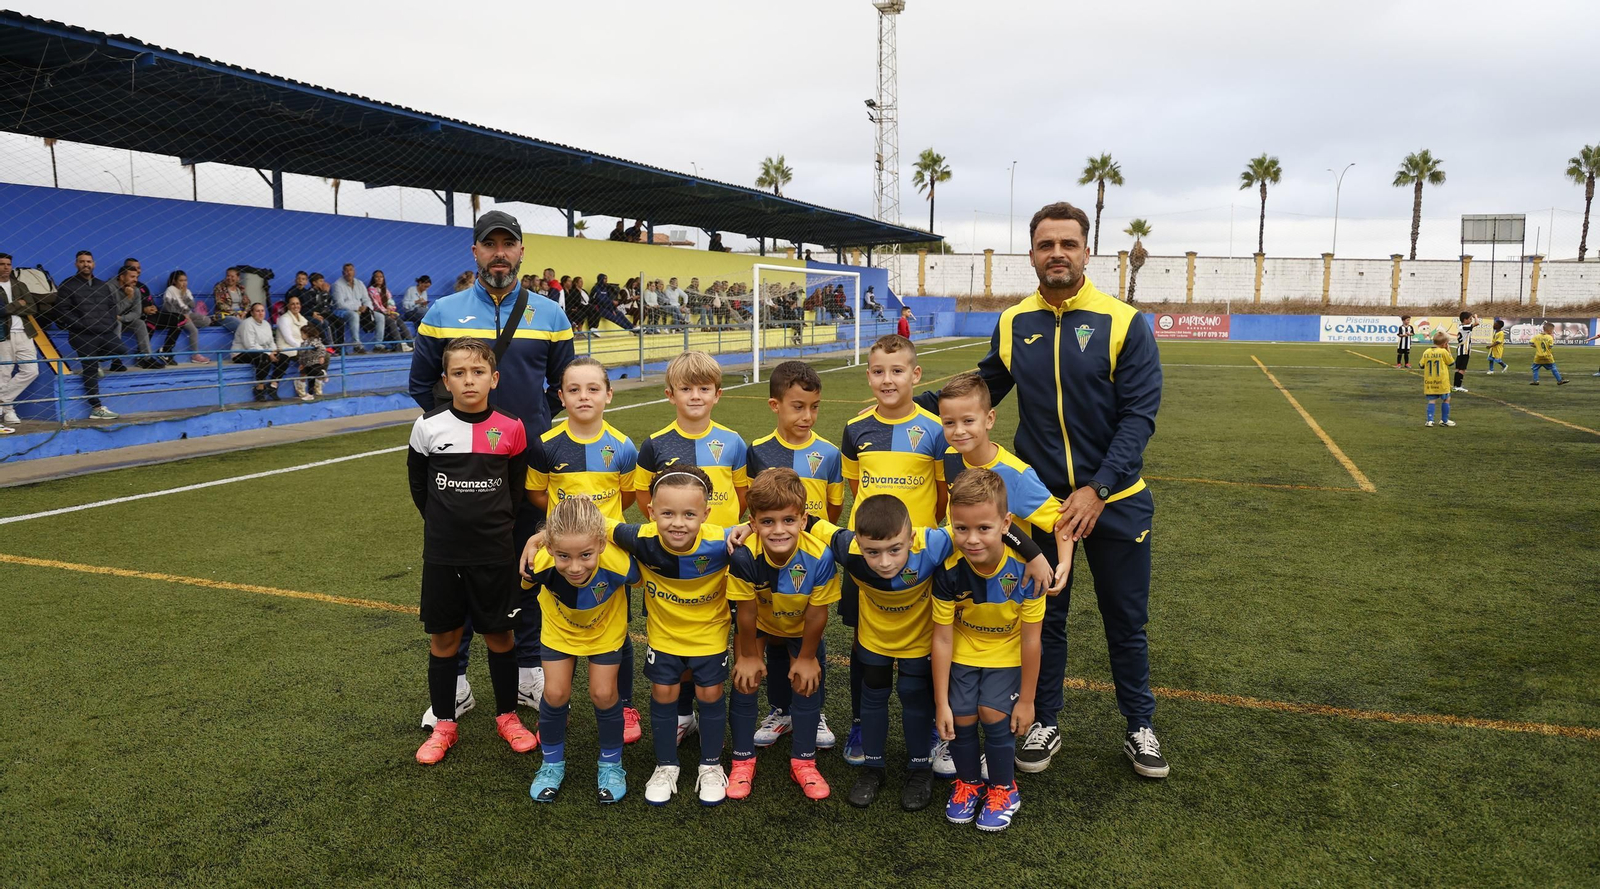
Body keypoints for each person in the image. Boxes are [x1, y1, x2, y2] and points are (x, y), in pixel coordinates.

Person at [914, 201, 1167, 781]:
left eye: (1068, 244)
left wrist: (1099, 488)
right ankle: (1046, 718)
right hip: (1041, 501)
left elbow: (1139, 417)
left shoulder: (1123, 322)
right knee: (1046, 615)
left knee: (1125, 621)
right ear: (1031, 253)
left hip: (1118, 502)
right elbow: (982, 389)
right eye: (1046, 244)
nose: (1057, 254)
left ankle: (1140, 725)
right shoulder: (1014, 322)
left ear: (1086, 251)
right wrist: (903, 410)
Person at [408, 210, 575, 731]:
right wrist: (467, 427)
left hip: (525, 466)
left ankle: (526, 669)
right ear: (475, 253)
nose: (499, 253)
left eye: (509, 244)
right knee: (455, 567)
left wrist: (529, 428)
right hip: (461, 468)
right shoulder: (443, 310)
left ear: (522, 252)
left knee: (525, 567)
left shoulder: (550, 314)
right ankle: (453, 684)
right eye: (490, 244)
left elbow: (562, 385)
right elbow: (423, 386)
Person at [408, 338, 539, 765]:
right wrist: (448, 524)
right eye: (459, 373)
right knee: (444, 638)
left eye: (478, 372)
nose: (469, 380)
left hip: (495, 553)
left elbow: (515, 489)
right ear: (446, 380)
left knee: (500, 635)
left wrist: (490, 525)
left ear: (493, 378)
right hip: (444, 554)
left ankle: (507, 716)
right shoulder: (427, 427)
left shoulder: (512, 427)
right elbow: (420, 489)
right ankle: (445, 723)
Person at [594, 467, 735, 806]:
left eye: (690, 514)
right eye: (667, 513)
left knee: (711, 691)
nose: (678, 523)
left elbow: (763, 531)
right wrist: (538, 538)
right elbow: (594, 523)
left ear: (706, 514)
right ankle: (666, 765)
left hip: (709, 633)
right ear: (651, 512)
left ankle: (711, 765)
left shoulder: (724, 540)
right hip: (664, 635)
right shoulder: (639, 537)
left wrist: (748, 528)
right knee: (663, 690)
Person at [839, 335, 949, 764]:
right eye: (879, 371)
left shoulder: (935, 430)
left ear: (915, 374)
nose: (888, 380)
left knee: (927, 645)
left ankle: (934, 732)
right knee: (863, 644)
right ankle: (862, 727)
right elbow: (856, 488)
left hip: (918, 556)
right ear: (868, 375)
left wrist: (918, 536)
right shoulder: (855, 428)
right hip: (867, 557)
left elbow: (941, 495)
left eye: (897, 371)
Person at [524, 356, 642, 743]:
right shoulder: (546, 445)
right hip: (563, 554)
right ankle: (559, 701)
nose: (584, 397)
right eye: (573, 390)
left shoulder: (623, 447)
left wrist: (596, 535)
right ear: (560, 396)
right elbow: (537, 493)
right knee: (561, 619)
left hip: (604, 556)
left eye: (593, 389)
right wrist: (562, 530)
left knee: (616, 631)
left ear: (608, 394)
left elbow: (625, 497)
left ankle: (622, 704)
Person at [635, 350, 750, 736]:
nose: (695, 396)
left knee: (721, 631)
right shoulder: (655, 445)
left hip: (723, 557)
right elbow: (644, 500)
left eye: (704, 388)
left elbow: (742, 494)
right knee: (676, 634)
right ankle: (684, 714)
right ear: (671, 395)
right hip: (675, 557)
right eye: (686, 388)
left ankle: (724, 708)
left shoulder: (733, 442)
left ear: (717, 394)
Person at [932, 468, 1044, 833]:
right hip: (964, 652)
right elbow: (943, 638)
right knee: (961, 717)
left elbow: (1031, 640)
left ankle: (1003, 789)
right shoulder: (947, 570)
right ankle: (968, 783)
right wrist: (941, 703)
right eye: (961, 528)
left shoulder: (1027, 570)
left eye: (984, 528)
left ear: (1005, 523)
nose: (972, 539)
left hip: (1008, 654)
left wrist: (1027, 701)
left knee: (993, 715)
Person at [727, 467, 841, 801]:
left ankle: (804, 762)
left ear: (803, 520)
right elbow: (745, 613)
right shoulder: (745, 554)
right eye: (768, 522)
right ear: (753, 522)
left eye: (788, 520)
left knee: (806, 684)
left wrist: (806, 657)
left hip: (800, 628)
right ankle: (742, 760)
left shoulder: (820, 556)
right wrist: (748, 655)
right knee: (744, 680)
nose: (778, 530)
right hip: (760, 625)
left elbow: (818, 613)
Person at [521, 496, 640, 804]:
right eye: (563, 556)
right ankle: (551, 765)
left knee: (603, 694)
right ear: (549, 548)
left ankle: (611, 765)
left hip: (604, 633)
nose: (574, 567)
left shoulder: (620, 562)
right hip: (560, 632)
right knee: (556, 693)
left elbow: (648, 574)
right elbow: (525, 583)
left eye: (585, 554)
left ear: (600, 544)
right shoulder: (539, 563)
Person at [938, 372, 1076, 574]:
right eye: (949, 423)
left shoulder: (1016, 474)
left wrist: (1064, 563)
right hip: (964, 574)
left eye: (968, 421)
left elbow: (1060, 521)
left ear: (989, 419)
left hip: (1008, 582)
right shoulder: (951, 456)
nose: (958, 431)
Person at [54, 250, 125, 419]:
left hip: (104, 332)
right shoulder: (68, 285)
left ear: (94, 264)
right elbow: (62, 311)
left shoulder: (102, 285)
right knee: (90, 369)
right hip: (82, 335)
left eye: (89, 261)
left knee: (121, 350)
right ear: (76, 264)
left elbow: (111, 307)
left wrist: (110, 324)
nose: (86, 264)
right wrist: (82, 325)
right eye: (82, 261)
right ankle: (96, 408)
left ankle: (97, 360)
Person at [0, 252, 52, 429]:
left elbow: (32, 307)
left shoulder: (20, 285)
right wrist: (17, 305)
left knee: (31, 370)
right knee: (3, 374)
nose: (6, 267)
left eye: (8, 264)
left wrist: (11, 308)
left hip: (24, 333)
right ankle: (8, 411)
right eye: (2, 264)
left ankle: (2, 402)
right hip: (3, 335)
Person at [231, 303, 291, 402]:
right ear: (252, 312)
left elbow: (271, 341)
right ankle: (259, 388)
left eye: (262, 310)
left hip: (262, 351)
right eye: (257, 311)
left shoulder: (266, 324)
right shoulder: (247, 324)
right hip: (241, 353)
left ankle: (273, 385)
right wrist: (269, 354)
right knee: (264, 358)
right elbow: (250, 345)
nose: (260, 313)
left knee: (284, 358)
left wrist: (273, 351)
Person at [111, 265, 165, 370]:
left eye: (136, 277)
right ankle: (116, 361)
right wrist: (128, 298)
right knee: (117, 323)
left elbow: (137, 313)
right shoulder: (109, 287)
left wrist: (122, 318)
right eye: (132, 277)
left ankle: (147, 358)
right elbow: (113, 311)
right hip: (108, 320)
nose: (135, 280)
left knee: (139, 323)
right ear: (122, 277)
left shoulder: (136, 290)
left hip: (122, 319)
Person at [158, 270, 210, 364]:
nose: (184, 283)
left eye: (185, 280)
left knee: (207, 320)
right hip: (178, 316)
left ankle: (185, 324)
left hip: (188, 314)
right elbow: (167, 307)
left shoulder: (187, 291)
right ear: (174, 281)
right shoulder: (170, 290)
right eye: (181, 280)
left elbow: (192, 306)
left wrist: (184, 294)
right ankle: (195, 355)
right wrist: (182, 315)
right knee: (194, 330)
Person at [331, 264, 372, 354]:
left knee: (380, 316)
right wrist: (357, 308)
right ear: (343, 272)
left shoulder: (359, 283)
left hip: (360, 310)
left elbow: (366, 299)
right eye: (346, 270)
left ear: (354, 272)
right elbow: (339, 304)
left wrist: (367, 307)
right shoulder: (337, 285)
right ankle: (357, 345)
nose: (349, 272)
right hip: (342, 311)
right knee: (354, 315)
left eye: (351, 270)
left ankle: (379, 345)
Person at [367, 270, 410, 351]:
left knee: (399, 320)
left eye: (381, 277)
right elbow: (376, 304)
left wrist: (390, 310)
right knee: (391, 321)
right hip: (377, 312)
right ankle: (400, 345)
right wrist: (386, 312)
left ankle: (411, 343)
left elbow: (391, 302)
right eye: (377, 277)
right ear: (373, 278)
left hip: (388, 312)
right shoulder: (371, 290)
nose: (379, 279)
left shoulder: (385, 290)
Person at [1420, 330, 1456, 424]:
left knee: (1432, 400)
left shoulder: (1427, 351)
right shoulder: (1443, 351)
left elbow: (1421, 365)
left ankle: (1430, 421)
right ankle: (1444, 420)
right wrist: (1448, 351)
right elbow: (1451, 363)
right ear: (1445, 344)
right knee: (1446, 399)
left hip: (1430, 381)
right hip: (1442, 381)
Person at [299, 273, 337, 346]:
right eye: (321, 281)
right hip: (314, 313)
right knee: (325, 323)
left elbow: (329, 304)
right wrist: (325, 293)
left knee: (339, 322)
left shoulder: (320, 291)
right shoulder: (311, 292)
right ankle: (330, 345)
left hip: (321, 312)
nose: (323, 283)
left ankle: (338, 345)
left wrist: (326, 293)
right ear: (314, 283)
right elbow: (321, 307)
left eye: (323, 281)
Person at [1529, 321, 1569, 386]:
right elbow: (1550, 346)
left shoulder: (1537, 336)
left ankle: (1535, 381)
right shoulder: (1549, 337)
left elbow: (1531, 343)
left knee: (1535, 368)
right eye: (1553, 330)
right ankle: (1559, 380)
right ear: (1550, 330)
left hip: (1538, 356)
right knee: (1553, 367)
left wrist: (1537, 346)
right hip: (1547, 356)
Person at [295, 323, 328, 401]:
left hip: (314, 361)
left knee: (314, 372)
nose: (301, 335)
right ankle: (310, 394)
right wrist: (302, 363)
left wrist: (321, 356)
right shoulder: (303, 344)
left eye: (302, 334)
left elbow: (322, 348)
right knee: (310, 378)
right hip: (307, 363)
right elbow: (301, 354)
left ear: (307, 334)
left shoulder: (314, 341)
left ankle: (323, 373)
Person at [211, 267, 249, 333]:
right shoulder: (219, 287)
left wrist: (245, 312)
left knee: (252, 325)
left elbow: (248, 303)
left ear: (238, 278)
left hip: (239, 315)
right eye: (228, 276)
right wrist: (235, 314)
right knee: (242, 326)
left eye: (232, 276)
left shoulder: (241, 288)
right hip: (224, 316)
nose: (229, 278)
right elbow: (220, 304)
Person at [1452, 311, 1479, 392]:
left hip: (1461, 350)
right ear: (1465, 320)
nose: (1471, 320)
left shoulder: (1461, 326)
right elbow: (1477, 323)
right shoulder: (1465, 327)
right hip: (1464, 350)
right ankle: (1458, 386)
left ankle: (1456, 385)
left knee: (1458, 369)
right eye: (1470, 319)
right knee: (1462, 369)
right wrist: (1476, 317)